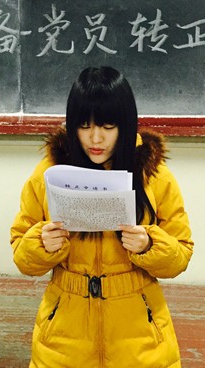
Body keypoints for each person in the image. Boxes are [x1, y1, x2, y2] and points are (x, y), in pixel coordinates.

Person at [11, 66, 194, 368]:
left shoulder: (154, 176)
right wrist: (41, 243)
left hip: (139, 343)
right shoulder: (49, 174)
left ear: (125, 124)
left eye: (108, 127)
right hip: (64, 342)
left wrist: (149, 245)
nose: (95, 138)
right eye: (84, 126)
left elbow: (181, 256)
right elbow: (21, 256)